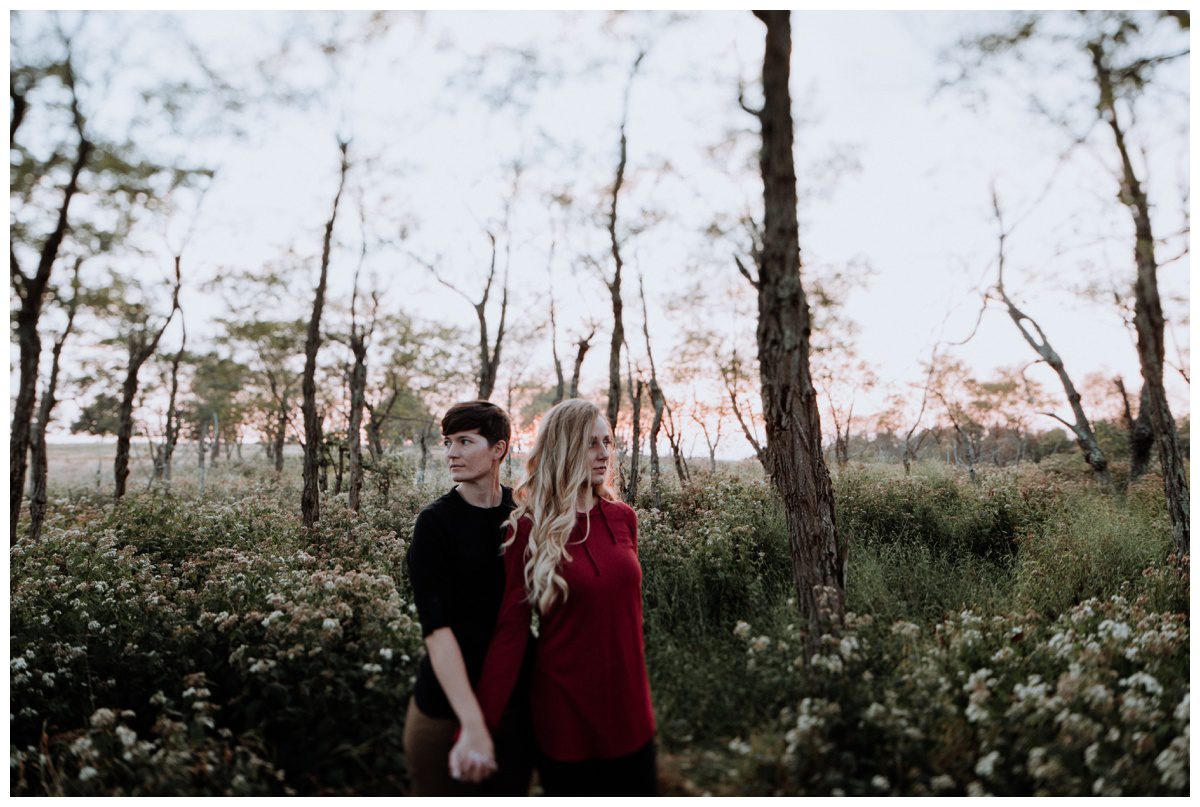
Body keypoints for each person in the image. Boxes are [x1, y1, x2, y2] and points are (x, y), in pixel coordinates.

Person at [450, 398, 658, 796]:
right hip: (565, 718)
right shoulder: (529, 529)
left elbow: (624, 617)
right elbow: (510, 634)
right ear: (564, 448)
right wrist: (475, 728)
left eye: (607, 442)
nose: (604, 454)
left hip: (631, 711)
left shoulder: (623, 518)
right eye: (591, 443)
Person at [403, 400, 534, 796]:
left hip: (512, 697)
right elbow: (436, 629)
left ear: (499, 449)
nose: (452, 453)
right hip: (444, 708)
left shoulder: (523, 514)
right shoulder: (435, 523)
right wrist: (472, 725)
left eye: (465, 441)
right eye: (447, 443)